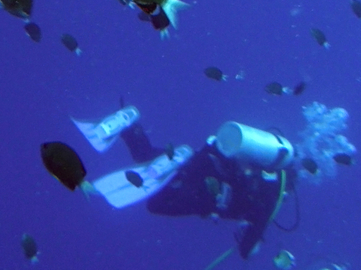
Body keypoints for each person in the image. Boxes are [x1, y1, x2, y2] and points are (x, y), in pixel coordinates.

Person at [73, 105, 297, 259]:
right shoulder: (268, 203)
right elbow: (246, 250)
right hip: (206, 195)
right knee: (156, 203)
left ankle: (130, 126)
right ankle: (178, 165)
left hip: (208, 158)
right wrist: (253, 242)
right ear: (285, 191)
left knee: (148, 159)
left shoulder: (259, 167)